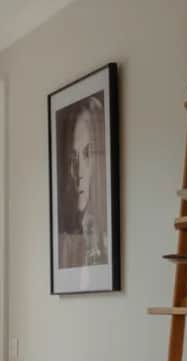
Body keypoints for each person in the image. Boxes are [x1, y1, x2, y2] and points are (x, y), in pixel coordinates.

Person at [58, 96, 108, 268]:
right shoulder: (66, 239)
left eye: (88, 154)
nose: (79, 172)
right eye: (74, 157)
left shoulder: (105, 237)